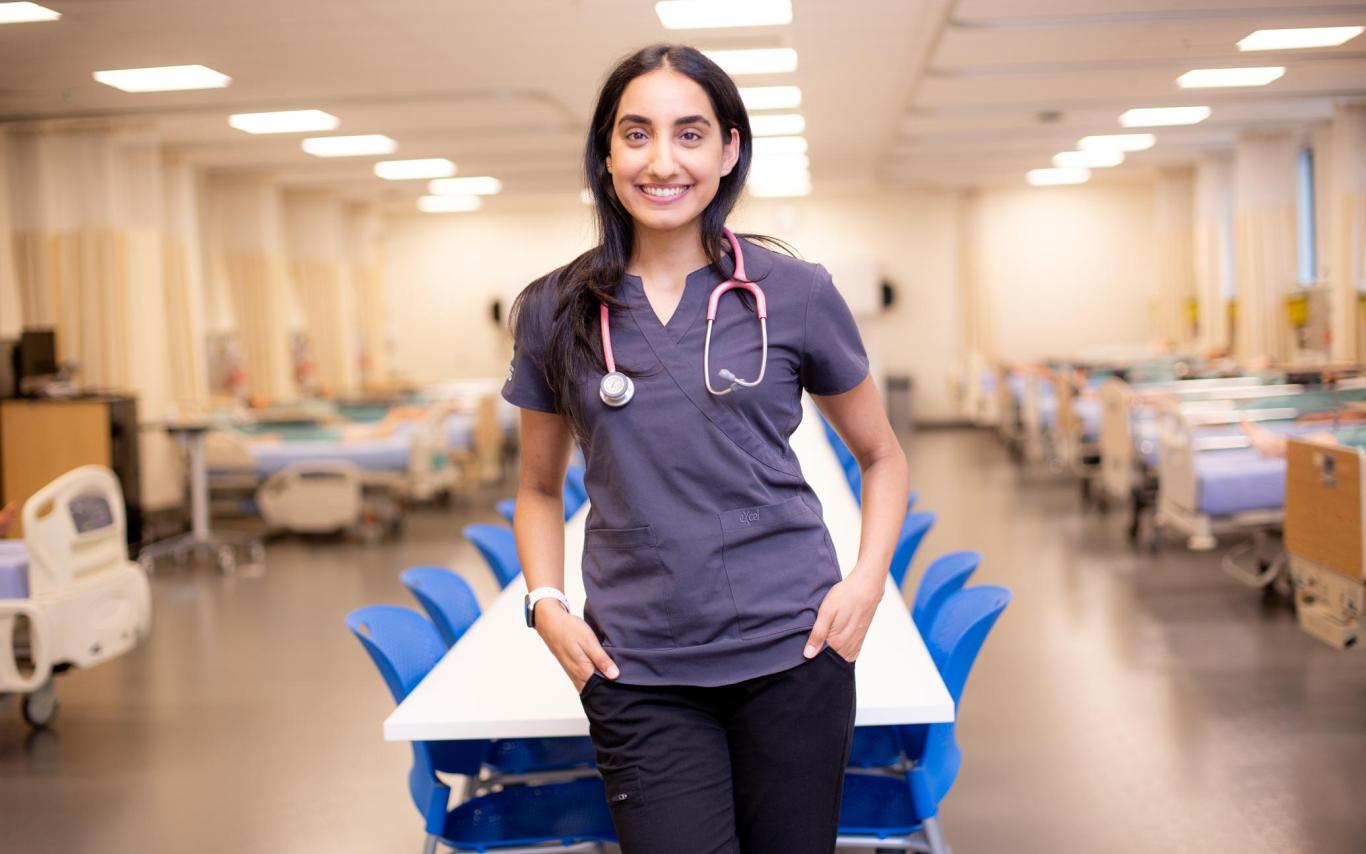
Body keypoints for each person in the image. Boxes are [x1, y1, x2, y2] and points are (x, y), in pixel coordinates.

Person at [500, 44, 909, 854]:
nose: (662, 161)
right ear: (606, 154)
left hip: (795, 650)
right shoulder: (554, 310)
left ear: (728, 150)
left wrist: (866, 584)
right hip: (637, 668)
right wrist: (545, 605)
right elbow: (539, 489)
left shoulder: (796, 292)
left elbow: (882, 456)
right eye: (636, 134)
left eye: (689, 134)